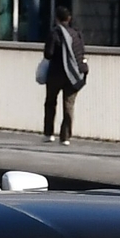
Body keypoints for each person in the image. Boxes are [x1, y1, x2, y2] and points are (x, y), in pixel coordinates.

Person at [42, 7, 86, 144]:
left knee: (50, 103)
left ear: (57, 19)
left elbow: (48, 53)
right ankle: (65, 137)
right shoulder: (76, 34)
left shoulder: (54, 33)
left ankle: (49, 133)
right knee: (69, 105)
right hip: (73, 75)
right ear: (69, 18)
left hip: (56, 74)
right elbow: (81, 52)